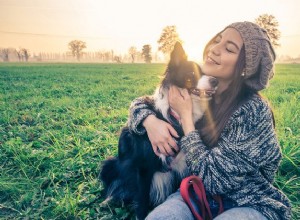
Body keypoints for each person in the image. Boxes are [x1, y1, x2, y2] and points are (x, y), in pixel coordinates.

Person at [127, 21, 291, 220]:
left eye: (229, 49)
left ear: (245, 67)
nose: (215, 49)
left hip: (251, 201)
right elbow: (142, 102)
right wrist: (149, 121)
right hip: (196, 194)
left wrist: (186, 119)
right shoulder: (203, 95)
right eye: (217, 40)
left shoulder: (253, 111)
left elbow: (215, 180)